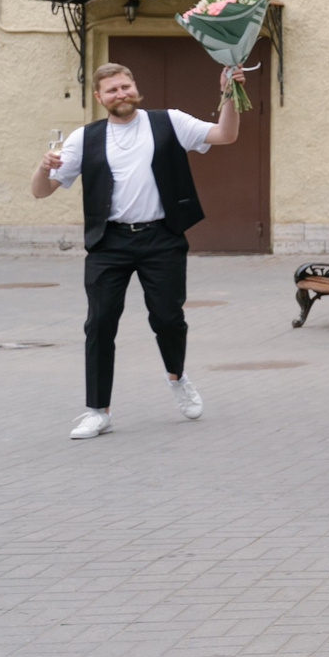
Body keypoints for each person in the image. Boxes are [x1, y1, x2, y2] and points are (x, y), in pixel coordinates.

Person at [31, 58, 245, 440]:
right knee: (99, 323)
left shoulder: (168, 121)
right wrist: (41, 167)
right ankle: (98, 411)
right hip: (109, 242)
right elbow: (41, 190)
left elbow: (225, 135)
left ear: (135, 87)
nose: (121, 93)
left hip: (161, 237)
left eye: (125, 86)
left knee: (167, 318)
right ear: (100, 97)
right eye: (112, 89)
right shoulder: (85, 137)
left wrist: (229, 94)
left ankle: (177, 378)